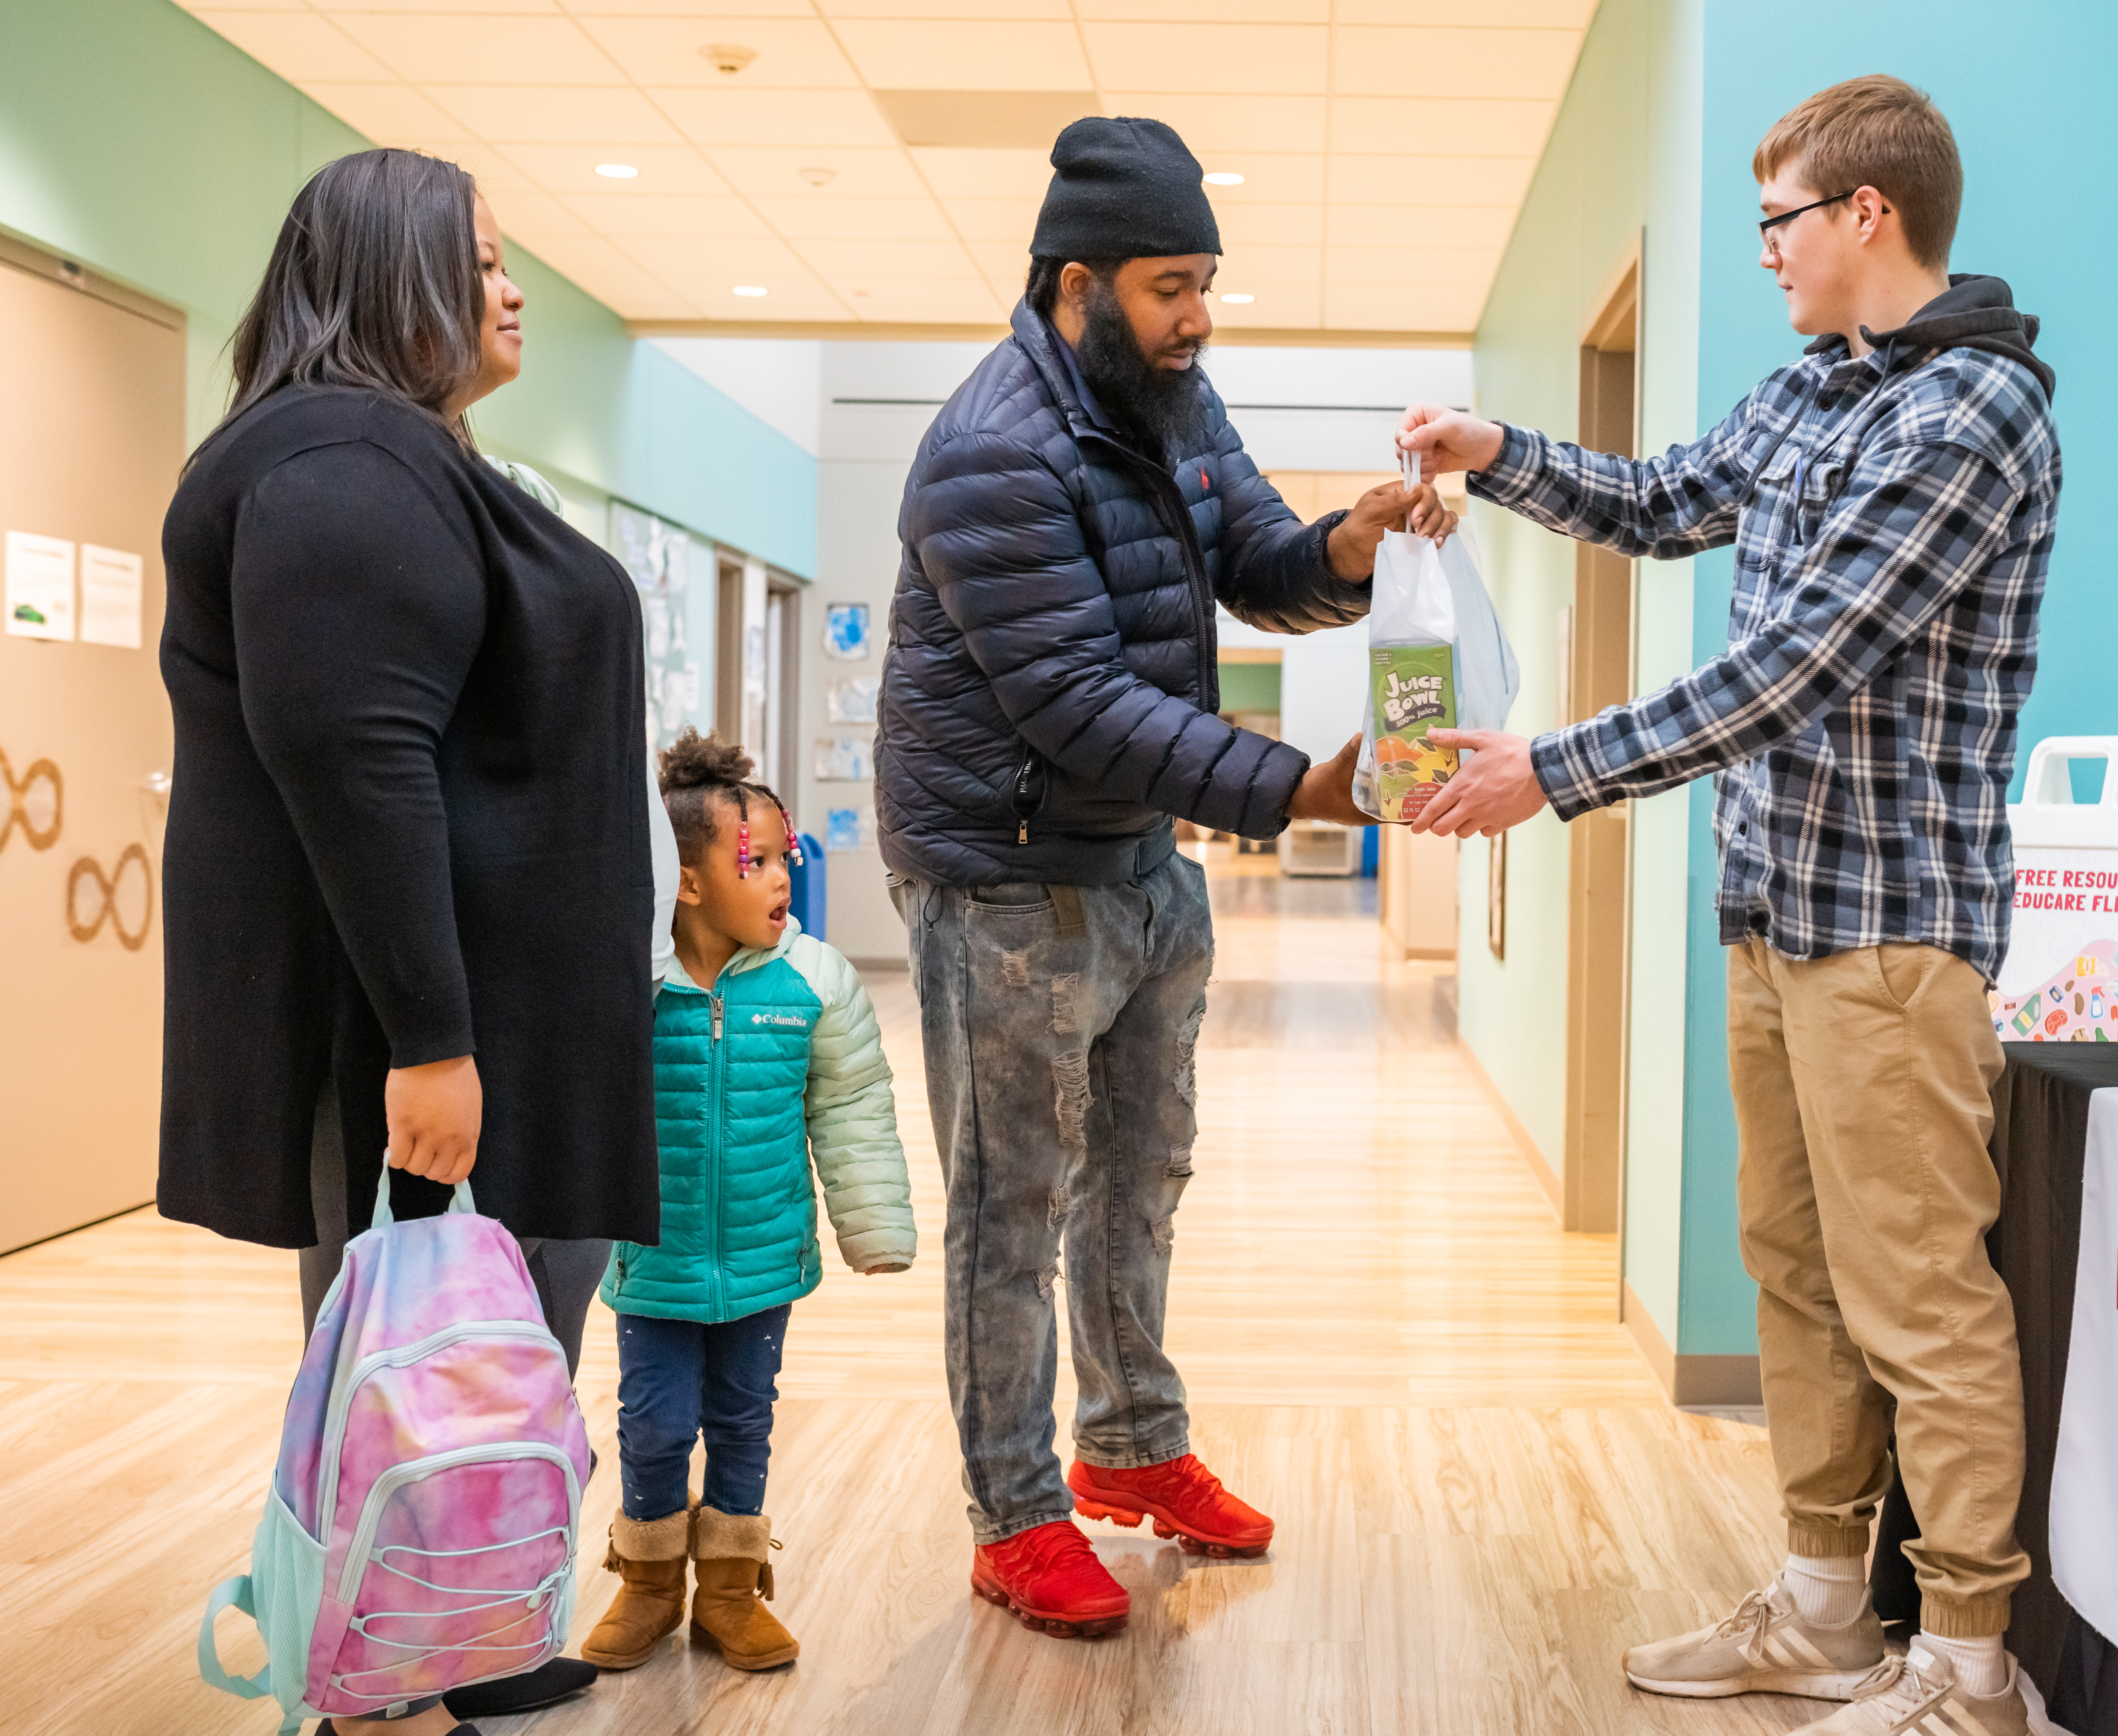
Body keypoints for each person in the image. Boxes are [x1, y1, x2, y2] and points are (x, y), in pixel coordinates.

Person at [1397, 76, 2062, 1736]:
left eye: (1778, 220)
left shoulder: (1974, 416)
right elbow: (1664, 499)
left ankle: (1971, 1668)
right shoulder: (1812, 392)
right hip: (1774, 913)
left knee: (1920, 1295)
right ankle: (1829, 1612)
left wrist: (1551, 769)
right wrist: (1501, 457)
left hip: (1895, 937)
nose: (1763, 250)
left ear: (1865, 217)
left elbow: (1798, 668)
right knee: (1799, 1274)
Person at [879, 115, 1453, 1638]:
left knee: (1140, 1181)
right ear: (1077, 285)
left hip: (1140, 866)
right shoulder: (993, 448)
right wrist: (1298, 792)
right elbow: (1075, 702)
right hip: (1003, 882)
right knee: (1015, 1206)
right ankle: (1015, 1514)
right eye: (1169, 286)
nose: (1197, 317)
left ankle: (1131, 1447)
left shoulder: (1174, 400)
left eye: (1206, 282)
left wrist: (1353, 536)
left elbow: (1259, 555)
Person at [159, 147, 675, 1735]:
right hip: (440, 1024)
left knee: (478, 1347)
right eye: (487, 258)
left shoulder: (397, 460)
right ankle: (398, 1650)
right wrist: (436, 1041)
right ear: (394, 275)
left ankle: (467, 1622)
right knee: (425, 1353)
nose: (516, 290)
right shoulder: (337, 468)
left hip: (500, 1012)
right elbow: (358, 759)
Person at [582, 731, 915, 1675]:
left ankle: (728, 1592)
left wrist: (876, 1224)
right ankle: (648, 1582)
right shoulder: (634, 989)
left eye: (783, 859)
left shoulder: (813, 982)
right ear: (687, 883)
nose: (781, 882)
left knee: (742, 1419)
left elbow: (851, 1106)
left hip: (767, 1258)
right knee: (651, 1425)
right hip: (655, 1259)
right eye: (755, 863)